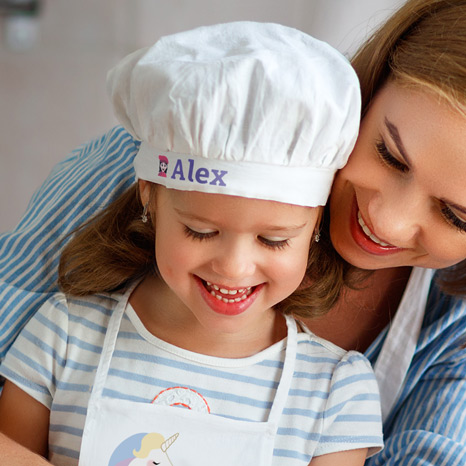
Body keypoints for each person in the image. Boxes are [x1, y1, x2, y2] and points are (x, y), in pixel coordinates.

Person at [1, 0, 466, 464]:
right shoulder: (180, 147)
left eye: (455, 215)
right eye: (389, 155)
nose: (388, 222)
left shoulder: (342, 387)